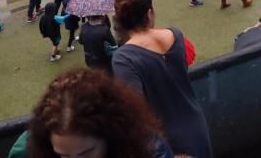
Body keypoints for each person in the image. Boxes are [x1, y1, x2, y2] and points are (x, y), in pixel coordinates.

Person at [112, 0, 213, 158]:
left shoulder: (124, 58)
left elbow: (134, 113)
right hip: (196, 125)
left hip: (165, 144)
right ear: (149, 13)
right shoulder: (175, 34)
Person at [24, 67, 170, 158]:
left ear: (112, 137)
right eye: (64, 156)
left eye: (86, 153)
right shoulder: (39, 149)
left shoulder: (152, 150)